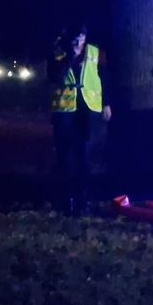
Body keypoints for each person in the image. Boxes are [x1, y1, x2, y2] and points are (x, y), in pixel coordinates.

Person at [47, 25, 111, 216]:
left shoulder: (95, 52)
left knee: (84, 156)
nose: (78, 42)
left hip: (87, 109)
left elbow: (104, 77)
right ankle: (65, 200)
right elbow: (54, 76)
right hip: (65, 110)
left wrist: (107, 103)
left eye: (81, 38)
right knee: (64, 156)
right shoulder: (58, 51)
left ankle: (82, 201)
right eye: (75, 39)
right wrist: (70, 57)